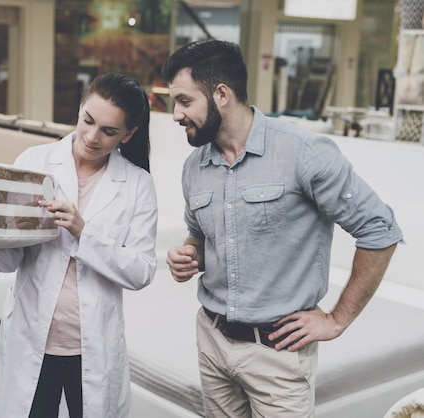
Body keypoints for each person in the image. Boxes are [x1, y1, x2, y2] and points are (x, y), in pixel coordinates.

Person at [162, 39, 404, 417]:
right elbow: (200, 235)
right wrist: (189, 253)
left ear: (221, 94)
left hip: (278, 354)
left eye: (184, 101)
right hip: (212, 339)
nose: (175, 114)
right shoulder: (195, 166)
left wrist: (338, 319)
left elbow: (380, 229)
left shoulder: (304, 153)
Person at [0, 72, 157, 417]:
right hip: (33, 334)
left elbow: (141, 270)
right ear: (80, 109)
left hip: (92, 344)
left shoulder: (137, 184)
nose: (92, 137)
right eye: (88, 121)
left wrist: (84, 231)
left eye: (108, 131)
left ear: (128, 134)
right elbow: (14, 253)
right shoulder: (35, 163)